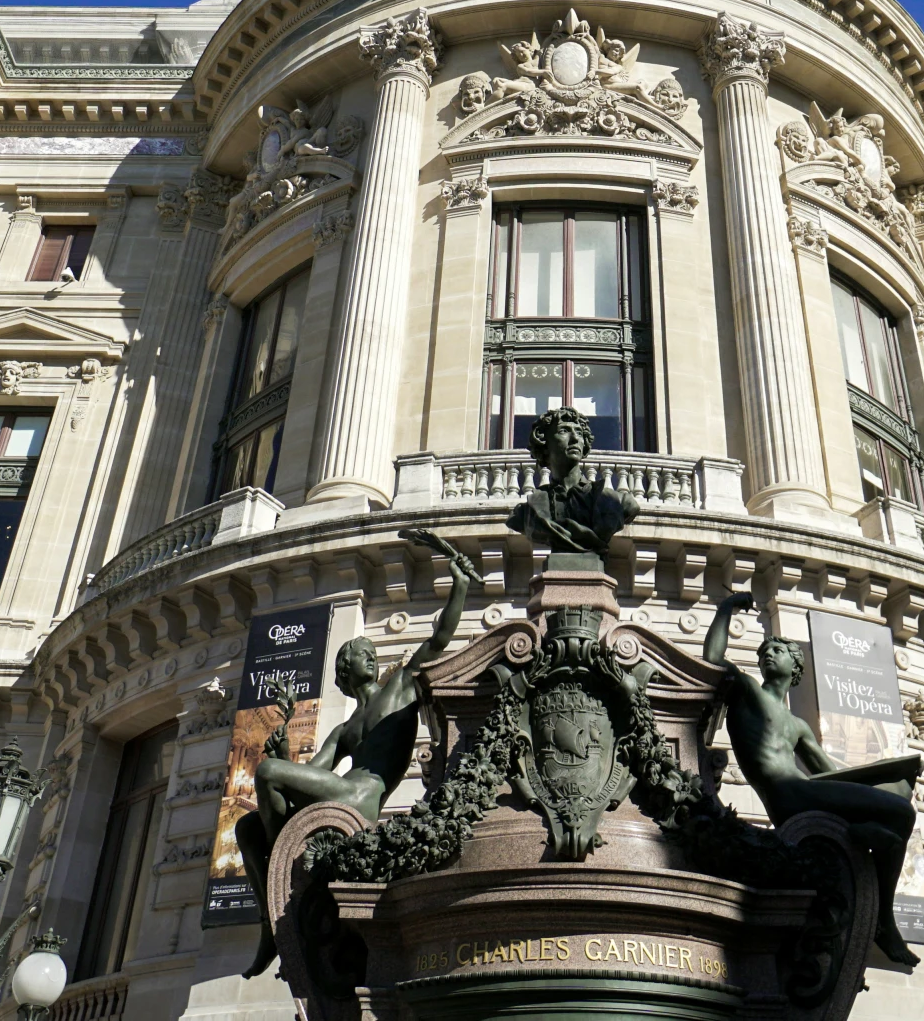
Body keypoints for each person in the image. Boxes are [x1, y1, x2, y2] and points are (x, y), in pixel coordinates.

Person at [238, 528, 478, 976]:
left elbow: (439, 639)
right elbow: (311, 775)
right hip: (338, 792)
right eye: (358, 653)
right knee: (248, 826)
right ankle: (270, 923)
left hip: (362, 798)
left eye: (369, 651)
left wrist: (460, 586)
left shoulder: (401, 687)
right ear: (347, 673)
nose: (368, 655)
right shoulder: (345, 729)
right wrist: (286, 748)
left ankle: (286, 874)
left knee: (269, 773)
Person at [703, 591, 921, 969]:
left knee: (895, 810)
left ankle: (863, 840)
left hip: (805, 792)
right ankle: (884, 920)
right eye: (764, 651)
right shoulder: (747, 691)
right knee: (900, 812)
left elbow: (831, 775)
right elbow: (712, 661)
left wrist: (893, 771)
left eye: (778, 649)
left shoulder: (798, 725)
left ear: (795, 667)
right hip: (787, 796)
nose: (768, 653)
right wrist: (724, 609)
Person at [509, 406, 638, 559]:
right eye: (564, 431)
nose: (575, 439)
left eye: (579, 432)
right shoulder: (528, 511)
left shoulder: (617, 502)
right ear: (545, 443)